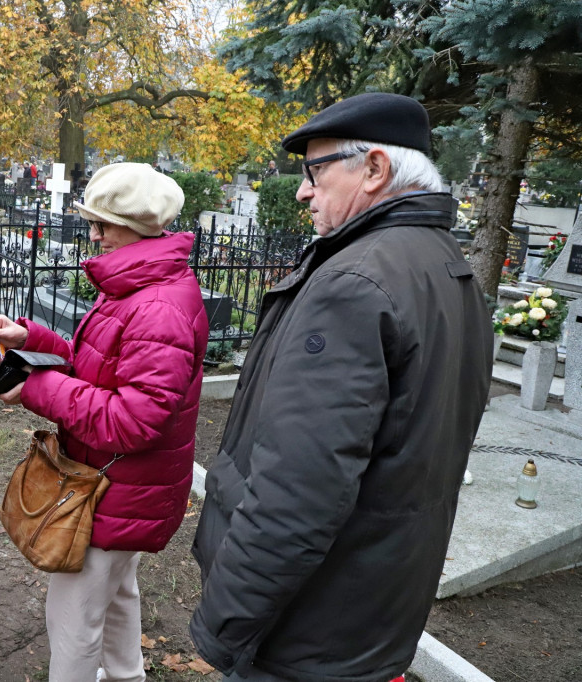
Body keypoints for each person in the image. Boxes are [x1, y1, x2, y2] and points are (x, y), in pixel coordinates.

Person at [189, 93, 492, 681]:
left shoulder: (354, 284)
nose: (304, 190)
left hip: (307, 629)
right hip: (373, 614)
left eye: (316, 170)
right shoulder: (445, 266)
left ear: (374, 169)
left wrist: (223, 624)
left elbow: (297, 491)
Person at [0, 162, 209, 682]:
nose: (93, 234)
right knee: (116, 593)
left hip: (114, 488)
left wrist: (38, 388)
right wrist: (33, 341)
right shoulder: (140, 286)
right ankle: (127, 674)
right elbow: (100, 368)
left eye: (103, 224)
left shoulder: (156, 306)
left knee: (73, 621)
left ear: (139, 226)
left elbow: (133, 420)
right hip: (121, 488)